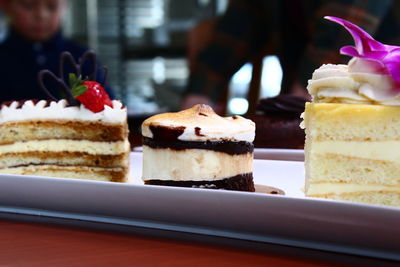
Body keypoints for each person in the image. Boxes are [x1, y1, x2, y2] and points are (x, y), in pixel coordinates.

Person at [182, 0, 399, 112]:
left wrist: (298, 102)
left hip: (378, 103)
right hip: (303, 100)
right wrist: (199, 95)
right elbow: (235, 31)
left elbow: (339, 33)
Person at [0, 0, 114, 102]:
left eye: (52, 6)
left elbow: (106, 109)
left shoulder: (83, 59)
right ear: (5, 4)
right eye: (28, 5)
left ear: (65, 6)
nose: (41, 15)